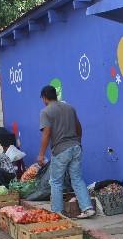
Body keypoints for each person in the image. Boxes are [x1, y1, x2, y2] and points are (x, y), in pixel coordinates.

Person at [37, 85, 95, 219]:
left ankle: (57, 212)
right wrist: (78, 142)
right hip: (76, 147)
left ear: (44, 98)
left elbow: (46, 133)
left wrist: (41, 154)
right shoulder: (70, 108)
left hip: (60, 149)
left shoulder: (45, 112)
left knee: (56, 181)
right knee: (77, 178)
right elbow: (79, 127)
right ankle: (87, 208)